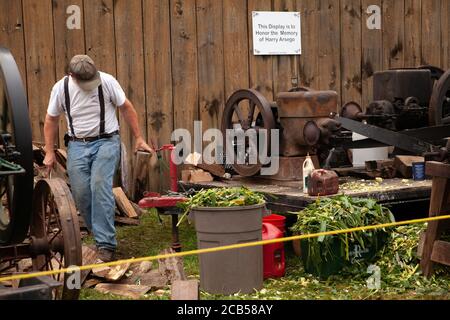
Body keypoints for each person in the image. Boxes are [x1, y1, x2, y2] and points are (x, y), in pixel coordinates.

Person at [43, 55, 153, 262]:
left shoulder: (108, 81)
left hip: (106, 142)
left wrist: (138, 138)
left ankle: (106, 245)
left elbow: (126, 107)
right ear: (71, 76)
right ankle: (100, 234)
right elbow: (51, 119)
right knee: (82, 194)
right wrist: (49, 152)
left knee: (99, 185)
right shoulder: (61, 88)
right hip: (76, 145)